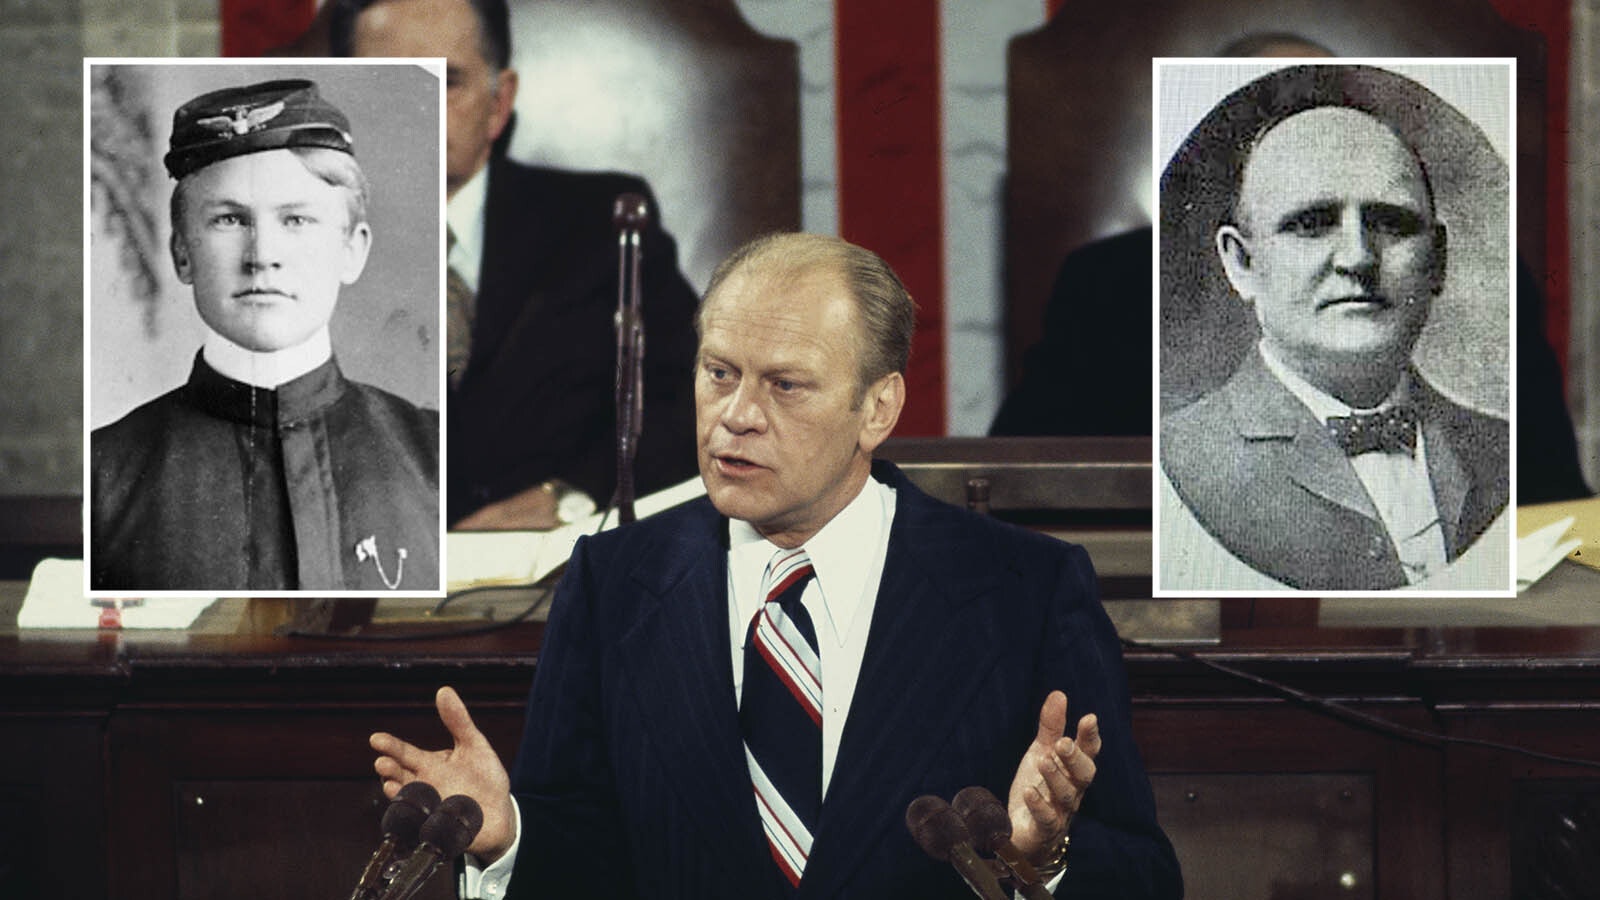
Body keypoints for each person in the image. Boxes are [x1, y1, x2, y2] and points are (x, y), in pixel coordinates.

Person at [368, 233, 1181, 898]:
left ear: (878, 408)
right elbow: (588, 864)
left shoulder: (1024, 590)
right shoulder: (614, 581)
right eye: (719, 374)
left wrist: (1046, 854)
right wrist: (510, 838)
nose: (737, 416)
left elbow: (1146, 882)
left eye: (786, 386)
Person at [329, 0, 702, 530]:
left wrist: (570, 497)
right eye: (388, 82)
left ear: (498, 102)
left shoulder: (605, 223)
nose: (417, 108)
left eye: (447, 82)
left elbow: (695, 400)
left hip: (566, 577)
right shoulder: (294, 243)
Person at [1159, 65, 1510, 591]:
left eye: (1392, 222)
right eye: (1311, 223)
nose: (1358, 257)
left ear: (1437, 261)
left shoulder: (1505, 454)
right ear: (1242, 264)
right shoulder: (1176, 461)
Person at [90, 77, 439, 592]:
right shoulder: (106, 475)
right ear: (182, 254)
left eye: (296, 219)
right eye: (230, 219)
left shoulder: (435, 452)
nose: (262, 255)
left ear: (352, 250)